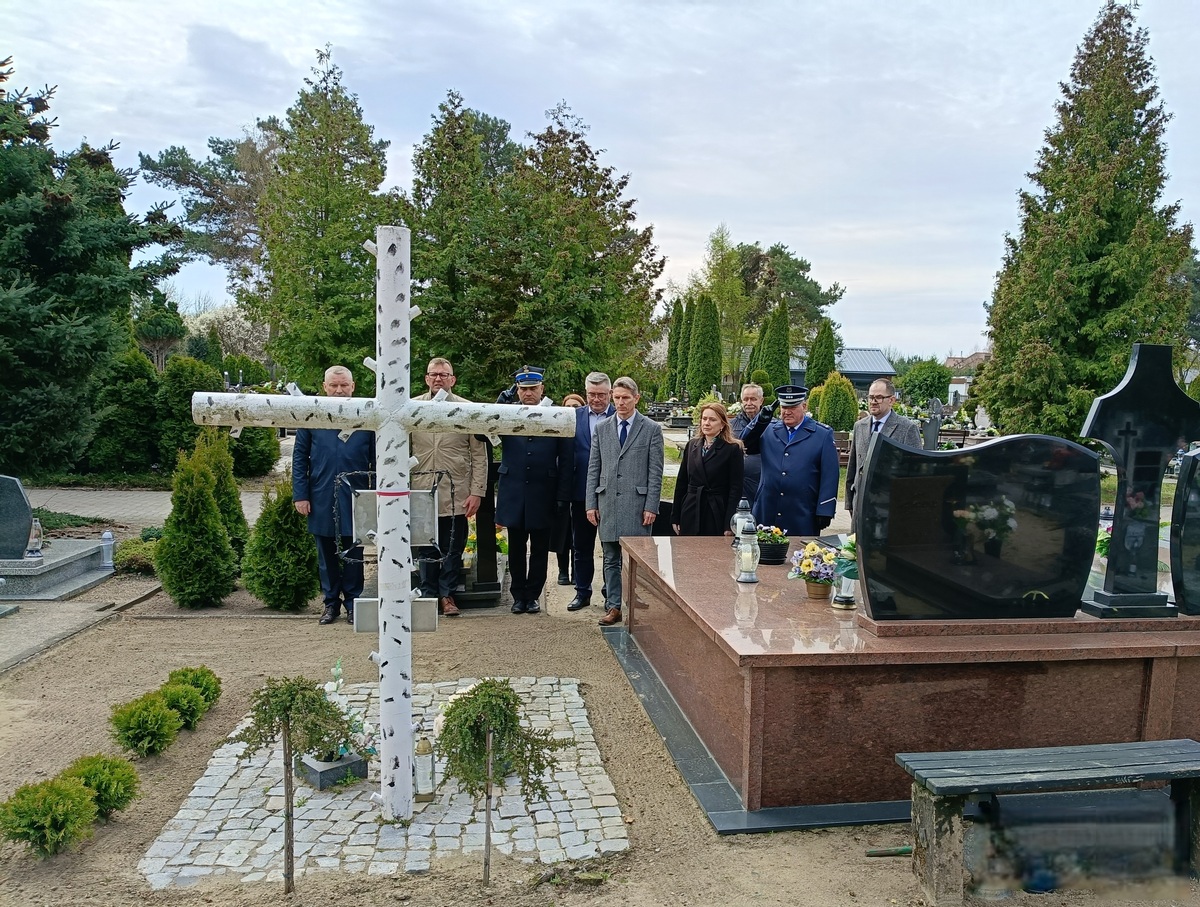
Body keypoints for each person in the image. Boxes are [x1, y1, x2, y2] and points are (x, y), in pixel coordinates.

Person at [292, 365, 376, 626]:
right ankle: (330, 604)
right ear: (325, 387)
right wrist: (300, 495)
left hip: (356, 495)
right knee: (326, 553)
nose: (339, 391)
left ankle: (353, 603)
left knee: (354, 552)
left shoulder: (367, 417)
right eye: (334, 386)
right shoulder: (312, 416)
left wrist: (376, 496)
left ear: (353, 386)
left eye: (344, 385)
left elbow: (377, 460)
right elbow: (299, 458)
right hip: (321, 493)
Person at [411, 357, 488, 618]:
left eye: (443, 375)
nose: (438, 379)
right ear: (426, 378)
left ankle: (447, 594)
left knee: (453, 547)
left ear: (452, 379)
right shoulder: (412, 408)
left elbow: (479, 455)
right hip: (421, 489)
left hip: (456, 491)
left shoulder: (467, 410)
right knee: (425, 547)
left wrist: (477, 491)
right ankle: (428, 594)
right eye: (433, 374)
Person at [495, 366, 573, 615]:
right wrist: (498, 406)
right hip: (514, 492)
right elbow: (483, 436)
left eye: (533, 389)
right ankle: (518, 595)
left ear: (542, 389)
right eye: (523, 389)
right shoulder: (507, 414)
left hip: (543, 492)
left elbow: (566, 459)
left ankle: (533, 595)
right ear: (517, 390)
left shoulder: (555, 416)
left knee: (540, 549)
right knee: (516, 548)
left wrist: (562, 496)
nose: (528, 393)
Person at [586, 376, 664, 626]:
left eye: (625, 398)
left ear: (636, 398)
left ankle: (634, 600)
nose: (620, 402)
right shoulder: (602, 428)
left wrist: (651, 505)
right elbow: (594, 467)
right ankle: (614, 606)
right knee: (610, 558)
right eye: (617, 398)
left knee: (635, 559)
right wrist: (591, 503)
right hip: (607, 501)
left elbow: (655, 471)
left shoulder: (651, 429)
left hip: (637, 505)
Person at [753, 385, 838, 537]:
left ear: (804, 406)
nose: (787, 412)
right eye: (784, 407)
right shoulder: (767, 429)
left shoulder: (822, 434)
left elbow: (830, 475)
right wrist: (759, 422)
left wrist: (825, 509)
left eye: (792, 407)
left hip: (802, 511)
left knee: (800, 551)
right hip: (767, 509)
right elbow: (745, 445)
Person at [567, 373, 616, 612]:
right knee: (582, 546)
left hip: (611, 492)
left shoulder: (619, 416)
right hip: (580, 491)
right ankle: (582, 592)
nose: (596, 399)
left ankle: (611, 593)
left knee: (611, 547)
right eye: (592, 394)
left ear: (610, 394)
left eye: (601, 395)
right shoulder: (573, 417)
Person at [846, 378, 921, 515]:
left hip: (891, 507)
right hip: (860, 505)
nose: (873, 401)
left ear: (891, 400)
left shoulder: (907, 428)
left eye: (879, 397)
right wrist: (849, 503)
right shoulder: (860, 426)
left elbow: (916, 472)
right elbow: (853, 467)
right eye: (871, 397)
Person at [672, 403, 744, 536]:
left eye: (712, 419)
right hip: (691, 509)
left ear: (722, 424)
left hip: (716, 511)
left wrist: (729, 524)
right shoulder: (692, 445)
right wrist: (675, 516)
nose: (706, 423)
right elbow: (682, 482)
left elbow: (736, 488)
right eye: (704, 419)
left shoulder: (732, 449)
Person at [554, 393, 586, 586]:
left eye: (576, 406)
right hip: (562, 484)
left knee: (579, 533)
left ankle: (577, 571)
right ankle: (562, 570)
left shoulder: (585, 428)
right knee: (562, 531)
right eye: (568, 407)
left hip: (581, 483)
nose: (572, 410)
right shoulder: (558, 427)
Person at [729, 383, 774, 501]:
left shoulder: (774, 425)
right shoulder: (730, 426)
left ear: (761, 401)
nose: (749, 403)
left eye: (753, 399)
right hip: (737, 487)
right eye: (745, 399)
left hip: (763, 485)